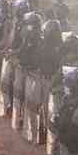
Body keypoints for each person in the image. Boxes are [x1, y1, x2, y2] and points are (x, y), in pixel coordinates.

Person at [0, 0, 26, 118]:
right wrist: (7, 49)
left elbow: (24, 45)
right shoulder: (16, 22)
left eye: (16, 9)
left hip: (20, 59)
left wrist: (13, 52)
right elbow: (11, 38)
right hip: (12, 56)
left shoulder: (25, 24)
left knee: (19, 87)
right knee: (7, 81)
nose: (14, 10)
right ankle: (10, 107)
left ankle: (19, 112)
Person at [18, 12, 43, 142]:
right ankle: (28, 132)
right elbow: (24, 52)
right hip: (29, 72)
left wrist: (31, 68)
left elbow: (37, 58)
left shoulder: (39, 39)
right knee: (27, 102)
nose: (28, 26)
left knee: (34, 106)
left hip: (36, 75)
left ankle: (35, 136)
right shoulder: (29, 37)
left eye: (30, 24)